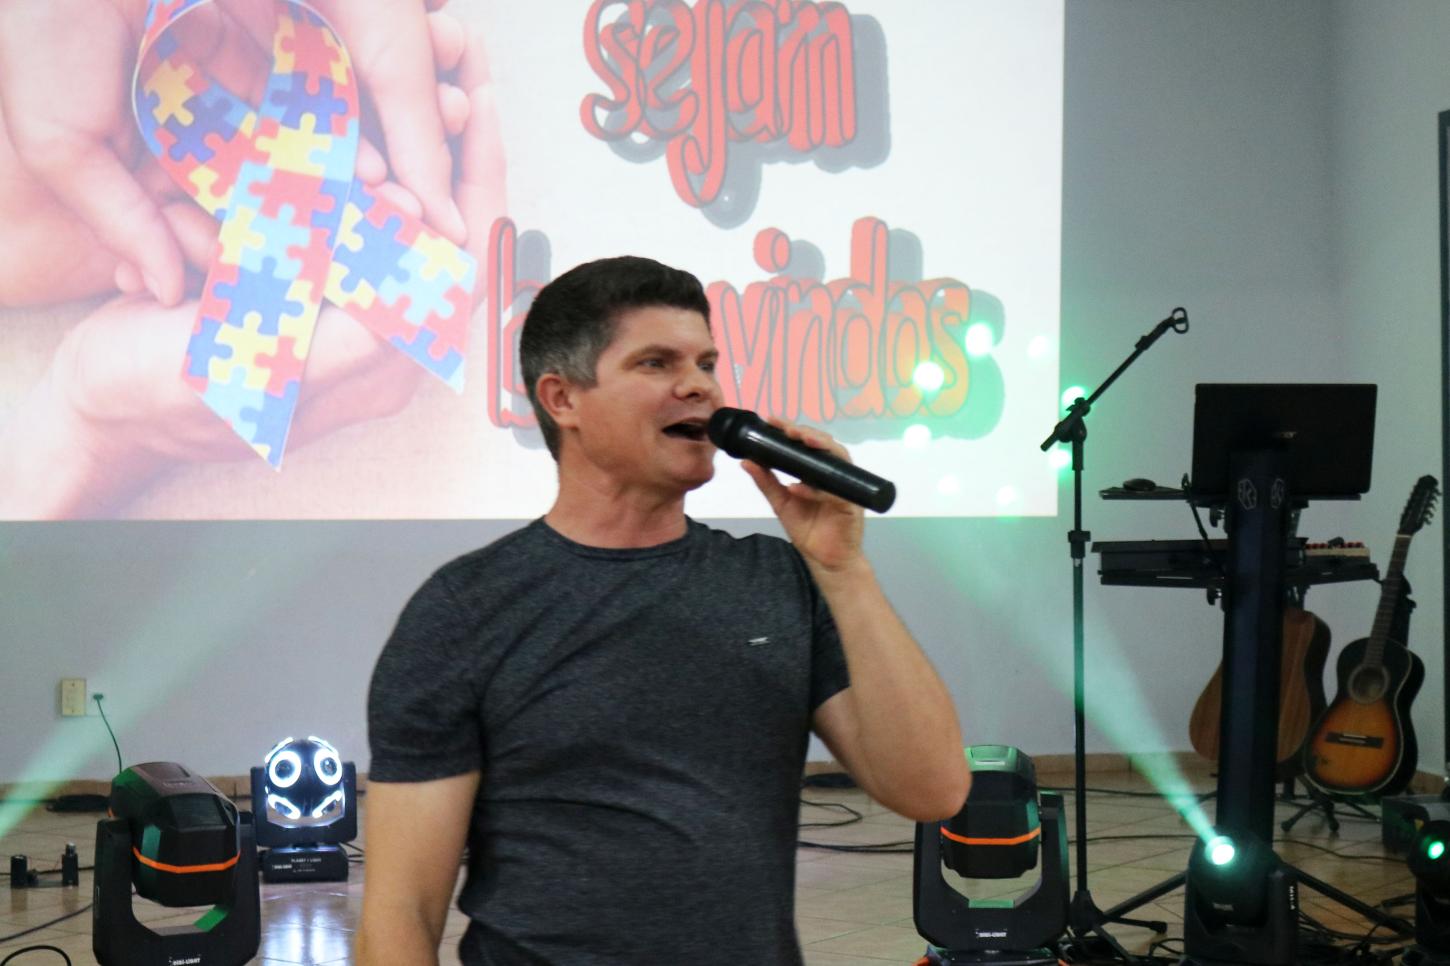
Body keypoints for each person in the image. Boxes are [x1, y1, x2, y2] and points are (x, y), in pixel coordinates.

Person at [358, 256, 971, 965]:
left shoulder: (776, 579)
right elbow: (402, 913)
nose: (700, 385)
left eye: (706, 363)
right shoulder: (467, 608)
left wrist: (844, 570)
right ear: (562, 399)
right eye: (656, 363)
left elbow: (933, 789)